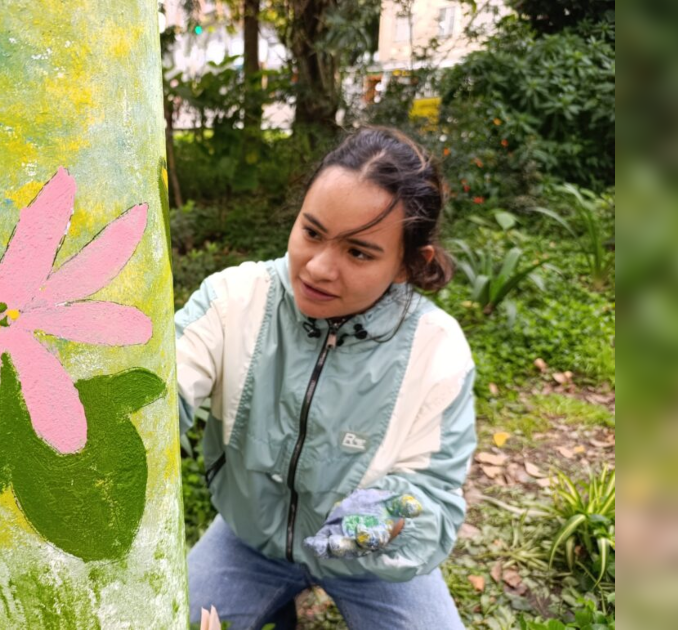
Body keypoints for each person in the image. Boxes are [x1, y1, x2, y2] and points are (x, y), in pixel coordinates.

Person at [176, 127, 476, 629]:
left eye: (358, 252)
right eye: (311, 232)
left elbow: (435, 496)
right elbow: (161, 390)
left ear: (408, 264)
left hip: (369, 566)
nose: (317, 268)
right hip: (247, 539)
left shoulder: (437, 351)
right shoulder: (233, 300)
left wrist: (356, 532)